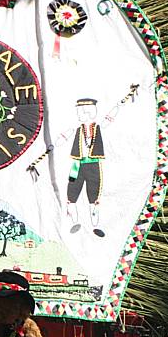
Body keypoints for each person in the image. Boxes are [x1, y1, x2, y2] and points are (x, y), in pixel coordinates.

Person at [66, 98, 105, 237]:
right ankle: (74, 222)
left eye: (86, 110)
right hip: (76, 164)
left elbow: (108, 119)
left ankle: (96, 226)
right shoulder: (77, 129)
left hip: (94, 164)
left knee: (94, 193)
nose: (84, 113)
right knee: (72, 190)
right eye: (81, 110)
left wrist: (120, 104)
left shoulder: (97, 128)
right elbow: (66, 134)